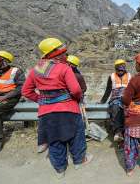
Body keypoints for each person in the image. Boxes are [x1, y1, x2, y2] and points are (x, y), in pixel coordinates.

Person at [22, 38, 92, 178]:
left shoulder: (36, 70)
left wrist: (43, 100)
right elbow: (76, 90)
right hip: (69, 109)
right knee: (76, 136)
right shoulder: (64, 68)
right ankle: (79, 161)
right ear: (55, 54)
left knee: (54, 140)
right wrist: (76, 100)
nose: (65, 56)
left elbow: (26, 91)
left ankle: (60, 169)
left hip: (46, 113)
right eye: (63, 53)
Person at [37, 55, 87, 154]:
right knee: (71, 129)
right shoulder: (60, 72)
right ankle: (78, 156)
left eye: (71, 65)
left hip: (67, 102)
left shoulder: (75, 75)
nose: (68, 65)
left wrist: (43, 100)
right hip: (64, 103)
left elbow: (82, 89)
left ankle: (49, 144)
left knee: (60, 129)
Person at [0, 51, 25, 153]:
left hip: (11, 98)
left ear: (4, 62)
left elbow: (21, 87)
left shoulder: (16, 71)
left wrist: (6, 96)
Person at [99, 59, 131, 142]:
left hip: (127, 98)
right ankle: (118, 132)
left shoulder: (130, 76)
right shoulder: (112, 76)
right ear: (115, 68)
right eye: (118, 69)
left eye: (121, 69)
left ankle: (129, 132)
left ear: (124, 68)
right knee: (115, 109)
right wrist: (102, 101)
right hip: (115, 99)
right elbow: (108, 90)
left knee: (128, 111)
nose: (120, 71)